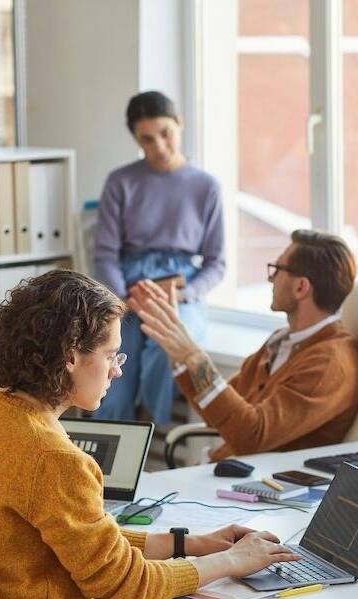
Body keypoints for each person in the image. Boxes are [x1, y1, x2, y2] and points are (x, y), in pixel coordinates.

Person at [0, 269, 298, 599]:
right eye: (111, 355)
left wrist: (187, 543)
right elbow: (125, 585)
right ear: (71, 356)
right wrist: (230, 561)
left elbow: (81, 545)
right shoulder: (53, 458)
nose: (118, 370)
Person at [131, 229, 358, 461]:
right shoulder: (282, 342)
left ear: (301, 287)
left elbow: (252, 437)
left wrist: (193, 356)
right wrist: (177, 353)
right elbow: (217, 414)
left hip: (259, 485)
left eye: (277, 270)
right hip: (224, 470)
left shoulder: (329, 365)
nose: (270, 279)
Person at [94, 90, 224, 425]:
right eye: (147, 140)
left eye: (166, 134)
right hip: (127, 284)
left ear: (179, 124)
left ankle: (153, 425)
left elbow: (216, 262)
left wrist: (183, 294)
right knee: (107, 356)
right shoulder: (121, 182)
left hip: (180, 286)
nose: (160, 147)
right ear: (137, 140)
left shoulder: (206, 186)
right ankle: (112, 446)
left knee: (166, 349)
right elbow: (106, 252)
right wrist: (123, 298)